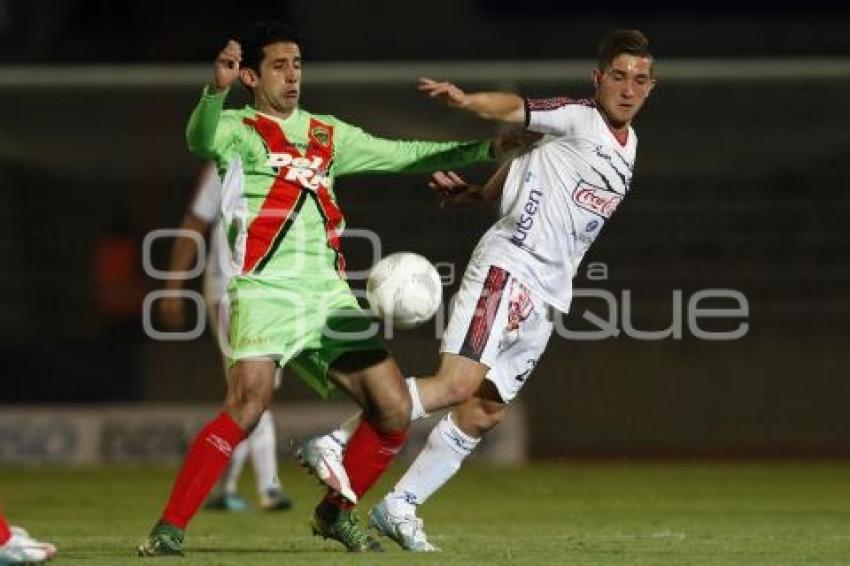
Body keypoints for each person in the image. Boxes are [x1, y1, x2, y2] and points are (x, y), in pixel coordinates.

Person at [138, 20, 497, 556]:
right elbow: (199, 139)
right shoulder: (236, 128)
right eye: (279, 67)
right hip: (262, 289)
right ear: (251, 77)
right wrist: (213, 90)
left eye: (298, 65)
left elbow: (403, 154)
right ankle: (169, 528)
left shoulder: (327, 133)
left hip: (328, 296)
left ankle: (336, 512)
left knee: (394, 407)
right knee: (248, 404)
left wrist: (485, 150)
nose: (292, 76)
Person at [301, 29, 656, 551]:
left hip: (550, 294)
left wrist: (479, 194)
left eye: (640, 80)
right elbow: (517, 111)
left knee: (486, 409)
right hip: (510, 267)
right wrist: (469, 101)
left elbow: (528, 159)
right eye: (619, 76)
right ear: (598, 78)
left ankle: (399, 506)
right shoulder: (579, 116)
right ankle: (334, 440)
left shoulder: (629, 147)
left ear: (653, 86)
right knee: (454, 385)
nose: (628, 89)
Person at [158, 163, 292, 512]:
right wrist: (172, 286)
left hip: (271, 290)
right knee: (254, 388)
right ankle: (268, 487)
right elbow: (195, 221)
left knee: (249, 390)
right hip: (231, 287)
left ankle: (228, 486)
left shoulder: (291, 161)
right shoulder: (227, 163)